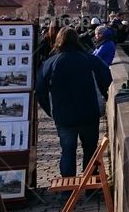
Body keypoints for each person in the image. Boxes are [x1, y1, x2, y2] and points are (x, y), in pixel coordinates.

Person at [36, 28, 111, 177]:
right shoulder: (89, 59)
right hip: (88, 112)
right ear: (77, 40)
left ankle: (67, 190)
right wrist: (104, 96)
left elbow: (40, 91)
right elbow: (106, 78)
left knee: (67, 151)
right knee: (90, 149)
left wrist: (51, 111)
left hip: (63, 115)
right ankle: (90, 182)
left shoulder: (50, 63)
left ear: (59, 41)